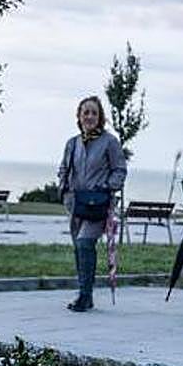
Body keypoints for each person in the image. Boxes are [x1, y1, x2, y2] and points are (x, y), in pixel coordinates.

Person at [57, 95, 127, 312]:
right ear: (79, 116)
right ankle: (84, 292)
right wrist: (64, 190)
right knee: (78, 248)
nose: (89, 116)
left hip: (98, 204)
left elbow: (120, 170)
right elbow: (63, 168)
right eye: (85, 112)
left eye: (94, 113)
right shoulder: (72, 143)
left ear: (100, 117)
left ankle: (85, 296)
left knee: (85, 243)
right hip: (75, 204)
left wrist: (107, 187)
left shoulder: (110, 142)